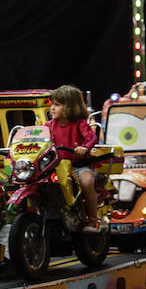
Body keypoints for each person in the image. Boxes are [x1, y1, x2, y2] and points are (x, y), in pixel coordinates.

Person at [46, 84, 102, 232]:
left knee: (86, 182)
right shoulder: (49, 126)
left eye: (57, 105)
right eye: (52, 104)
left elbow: (92, 137)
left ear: (70, 107)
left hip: (78, 165)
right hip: (56, 166)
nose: (52, 108)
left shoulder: (79, 124)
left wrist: (84, 147)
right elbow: (38, 137)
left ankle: (93, 219)